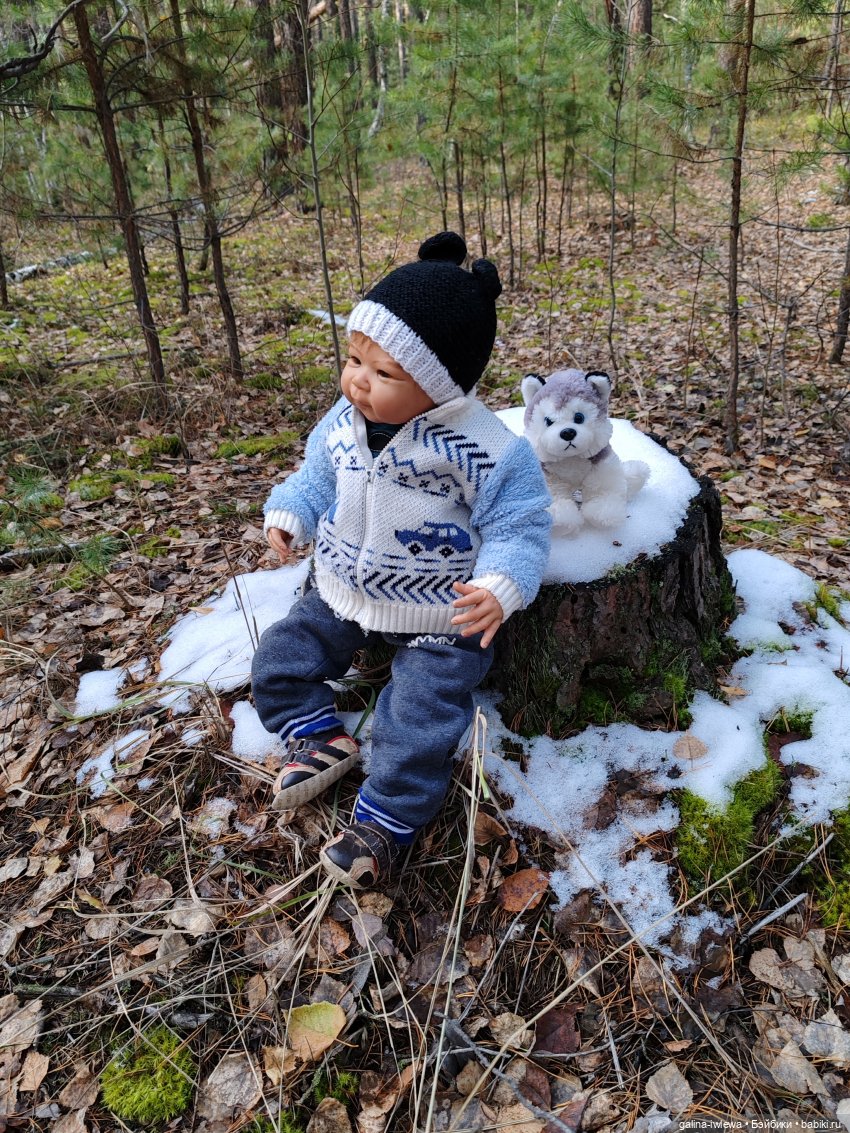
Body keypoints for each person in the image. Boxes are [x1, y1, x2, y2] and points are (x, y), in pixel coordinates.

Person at [251, 231, 551, 888]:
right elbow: (314, 476)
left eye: (384, 372)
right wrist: (292, 513)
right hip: (342, 588)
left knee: (417, 713)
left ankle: (384, 823)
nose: (358, 379)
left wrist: (502, 584)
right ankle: (317, 734)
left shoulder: (485, 450)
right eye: (354, 357)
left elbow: (521, 523)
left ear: (440, 386)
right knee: (280, 656)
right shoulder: (341, 419)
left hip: (439, 615)